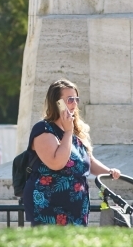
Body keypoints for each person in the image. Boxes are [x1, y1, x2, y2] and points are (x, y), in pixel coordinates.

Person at [23, 79, 121, 226]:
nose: (74, 104)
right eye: (69, 99)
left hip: (77, 209)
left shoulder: (75, 133)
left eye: (76, 99)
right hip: (49, 209)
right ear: (57, 103)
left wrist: (109, 171)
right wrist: (68, 132)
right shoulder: (43, 129)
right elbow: (57, 163)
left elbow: (89, 162)